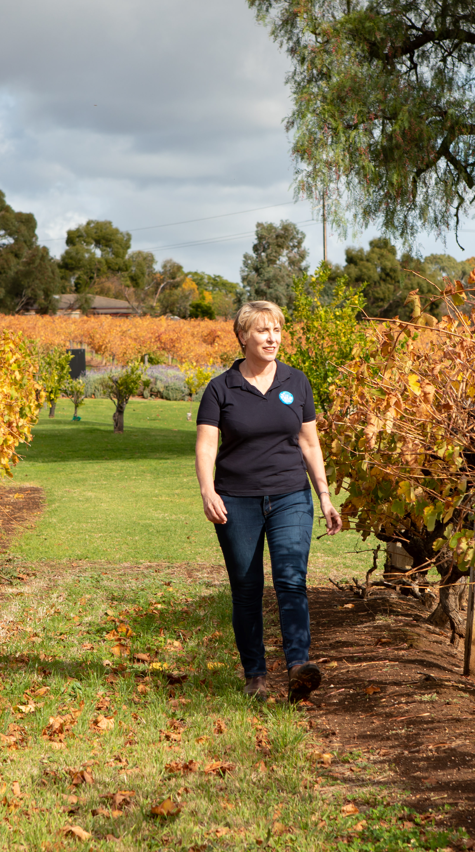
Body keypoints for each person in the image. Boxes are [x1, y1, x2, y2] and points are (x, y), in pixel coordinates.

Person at [195, 300, 343, 702]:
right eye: (263, 331)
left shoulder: (297, 382)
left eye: (277, 330)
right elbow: (207, 445)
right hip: (236, 500)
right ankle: (255, 676)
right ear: (243, 336)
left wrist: (325, 498)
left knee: (291, 579)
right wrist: (208, 490)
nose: (272, 338)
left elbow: (309, 443)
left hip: (290, 496)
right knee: (246, 588)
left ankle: (299, 667)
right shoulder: (220, 388)